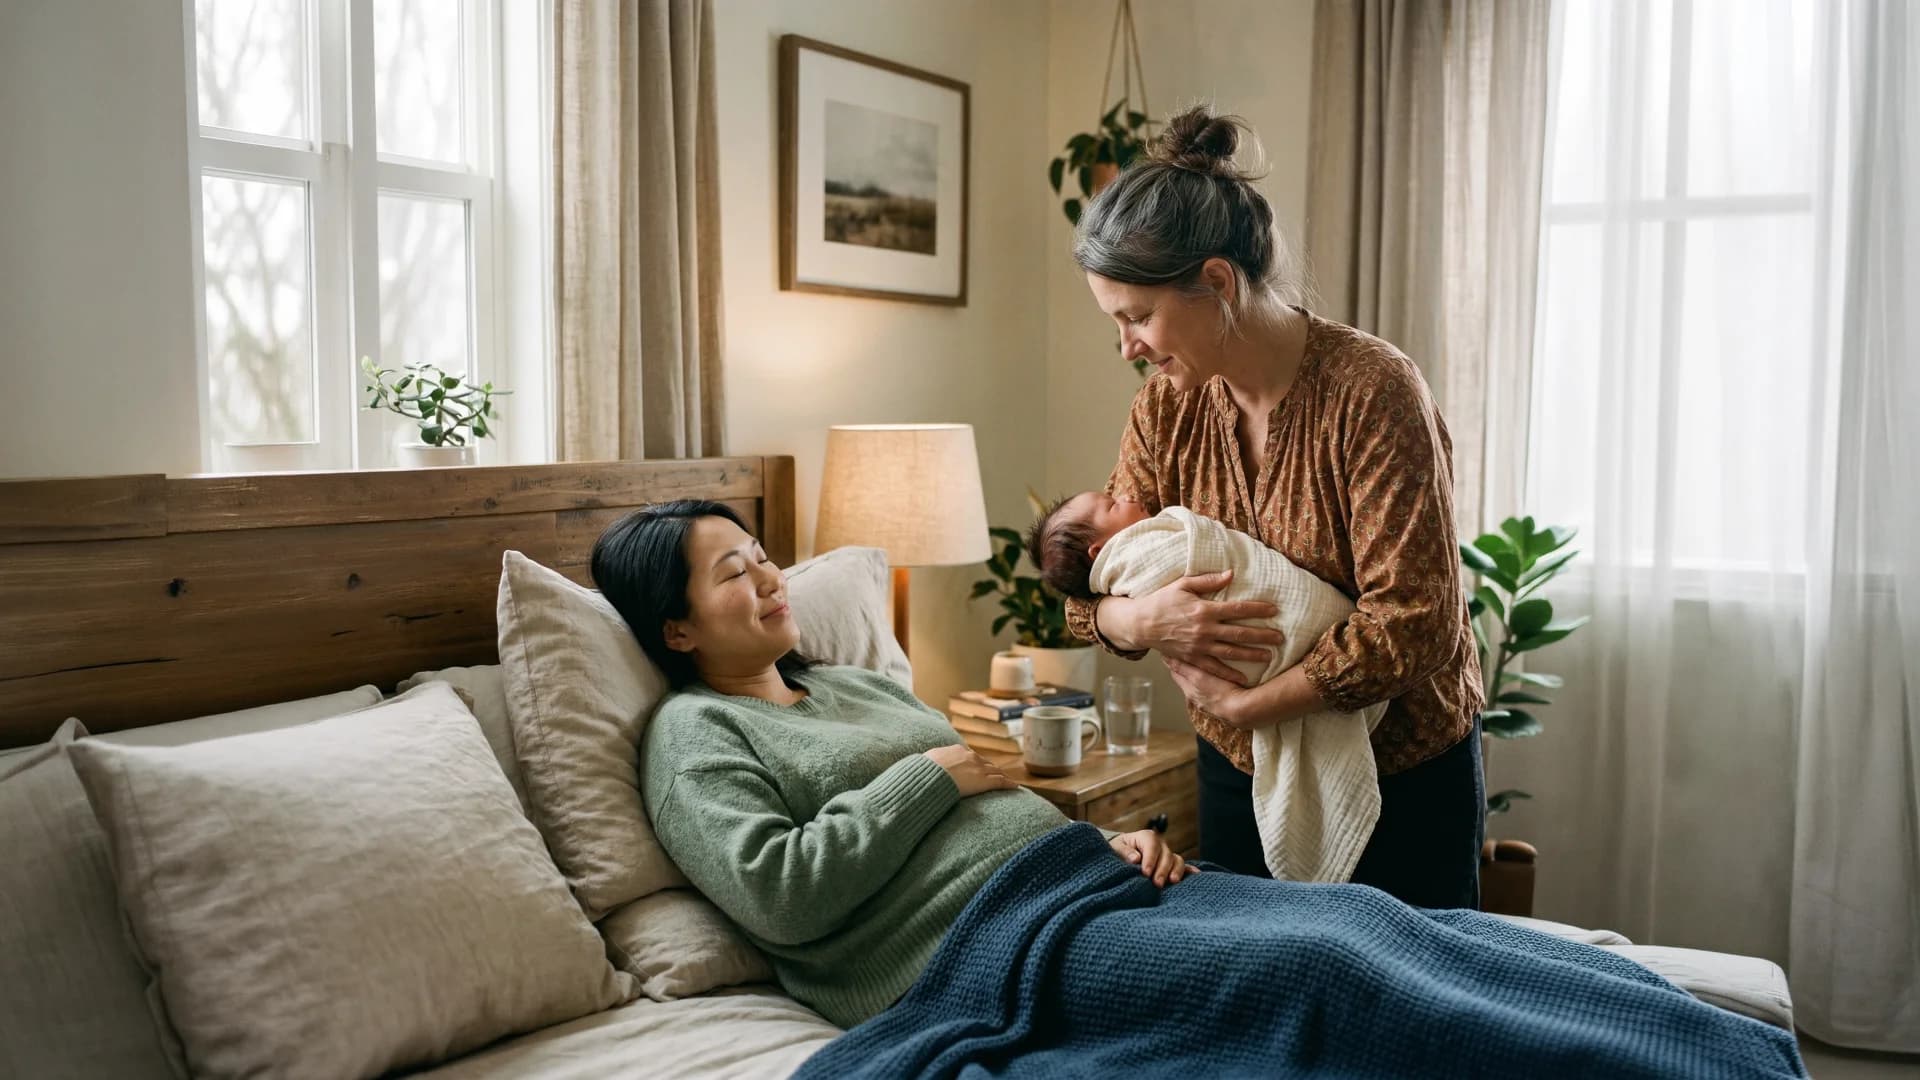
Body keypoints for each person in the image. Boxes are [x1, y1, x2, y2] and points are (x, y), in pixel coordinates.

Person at [590, 502, 1805, 1079]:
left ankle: (1716, 1048)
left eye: (759, 553)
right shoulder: (695, 737)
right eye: (728, 571)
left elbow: (994, 800)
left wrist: (1107, 846)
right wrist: (943, 766)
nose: (766, 575)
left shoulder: (849, 689)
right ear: (676, 628)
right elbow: (782, 894)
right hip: (983, 954)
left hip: (1078, 888)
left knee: (1365, 920)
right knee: (1324, 977)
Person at [1063, 104, 1486, 907]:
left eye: (1139, 317)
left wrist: (1250, 701)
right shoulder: (1166, 409)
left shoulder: (1371, 391)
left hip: (1399, 772)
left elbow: (1416, 623)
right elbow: (1093, 585)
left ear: (1217, 282)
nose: (1129, 348)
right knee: (1265, 994)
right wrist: (1140, 623)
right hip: (1241, 768)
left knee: (1406, 1019)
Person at [1029, 491, 1386, 882]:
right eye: (1113, 502)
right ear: (1100, 552)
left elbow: (1404, 624)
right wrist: (1140, 619)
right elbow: (1081, 607)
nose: (1128, 493)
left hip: (1401, 744)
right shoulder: (1131, 551)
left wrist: (1246, 707)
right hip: (1226, 753)